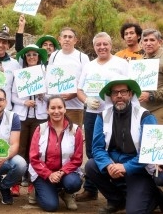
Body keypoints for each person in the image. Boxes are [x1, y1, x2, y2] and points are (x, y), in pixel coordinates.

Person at [85, 77, 163, 213]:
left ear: (131, 94)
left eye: (123, 92)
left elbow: (148, 154)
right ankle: (117, 200)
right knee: (91, 166)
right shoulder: (102, 116)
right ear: (110, 96)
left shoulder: (145, 116)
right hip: (114, 164)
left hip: (139, 169)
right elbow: (97, 148)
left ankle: (153, 194)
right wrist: (108, 165)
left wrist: (125, 167)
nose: (119, 96)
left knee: (134, 211)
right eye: (115, 93)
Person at [76, 32, 129, 202]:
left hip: (116, 114)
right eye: (98, 44)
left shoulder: (121, 64)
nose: (102, 47)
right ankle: (90, 189)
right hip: (93, 114)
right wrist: (86, 101)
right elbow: (79, 90)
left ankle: (119, 188)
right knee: (92, 150)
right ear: (94, 47)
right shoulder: (89, 66)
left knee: (115, 149)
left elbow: (130, 87)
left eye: (105, 44)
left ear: (111, 45)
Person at [28, 95, 83, 212]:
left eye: (60, 107)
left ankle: (66, 193)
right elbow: (34, 158)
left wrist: (61, 172)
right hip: (43, 174)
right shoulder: (40, 129)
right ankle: (38, 189)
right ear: (47, 110)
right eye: (52, 108)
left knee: (73, 183)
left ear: (65, 109)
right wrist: (49, 174)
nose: (56, 111)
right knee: (51, 206)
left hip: (66, 173)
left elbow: (77, 159)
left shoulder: (75, 130)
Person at [11, 44, 48, 196]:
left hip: (39, 116)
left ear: (39, 57)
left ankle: (34, 181)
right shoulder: (20, 74)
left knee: (37, 150)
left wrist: (42, 95)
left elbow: (52, 95)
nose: (32, 57)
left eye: (34, 54)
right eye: (28, 55)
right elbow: (13, 95)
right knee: (19, 148)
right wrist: (24, 102)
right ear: (25, 58)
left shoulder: (45, 73)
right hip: (22, 115)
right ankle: (15, 182)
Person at [48, 27, 90, 127]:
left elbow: (87, 81)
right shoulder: (54, 56)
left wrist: (75, 94)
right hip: (56, 107)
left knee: (74, 136)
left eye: (70, 37)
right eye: (64, 36)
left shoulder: (82, 57)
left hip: (75, 106)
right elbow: (49, 78)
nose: (67, 39)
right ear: (59, 39)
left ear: (75, 40)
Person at [139, 28, 163, 124]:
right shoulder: (141, 60)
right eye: (145, 40)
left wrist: (151, 95)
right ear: (141, 43)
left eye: (152, 40)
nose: (148, 43)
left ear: (160, 42)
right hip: (142, 111)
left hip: (159, 110)